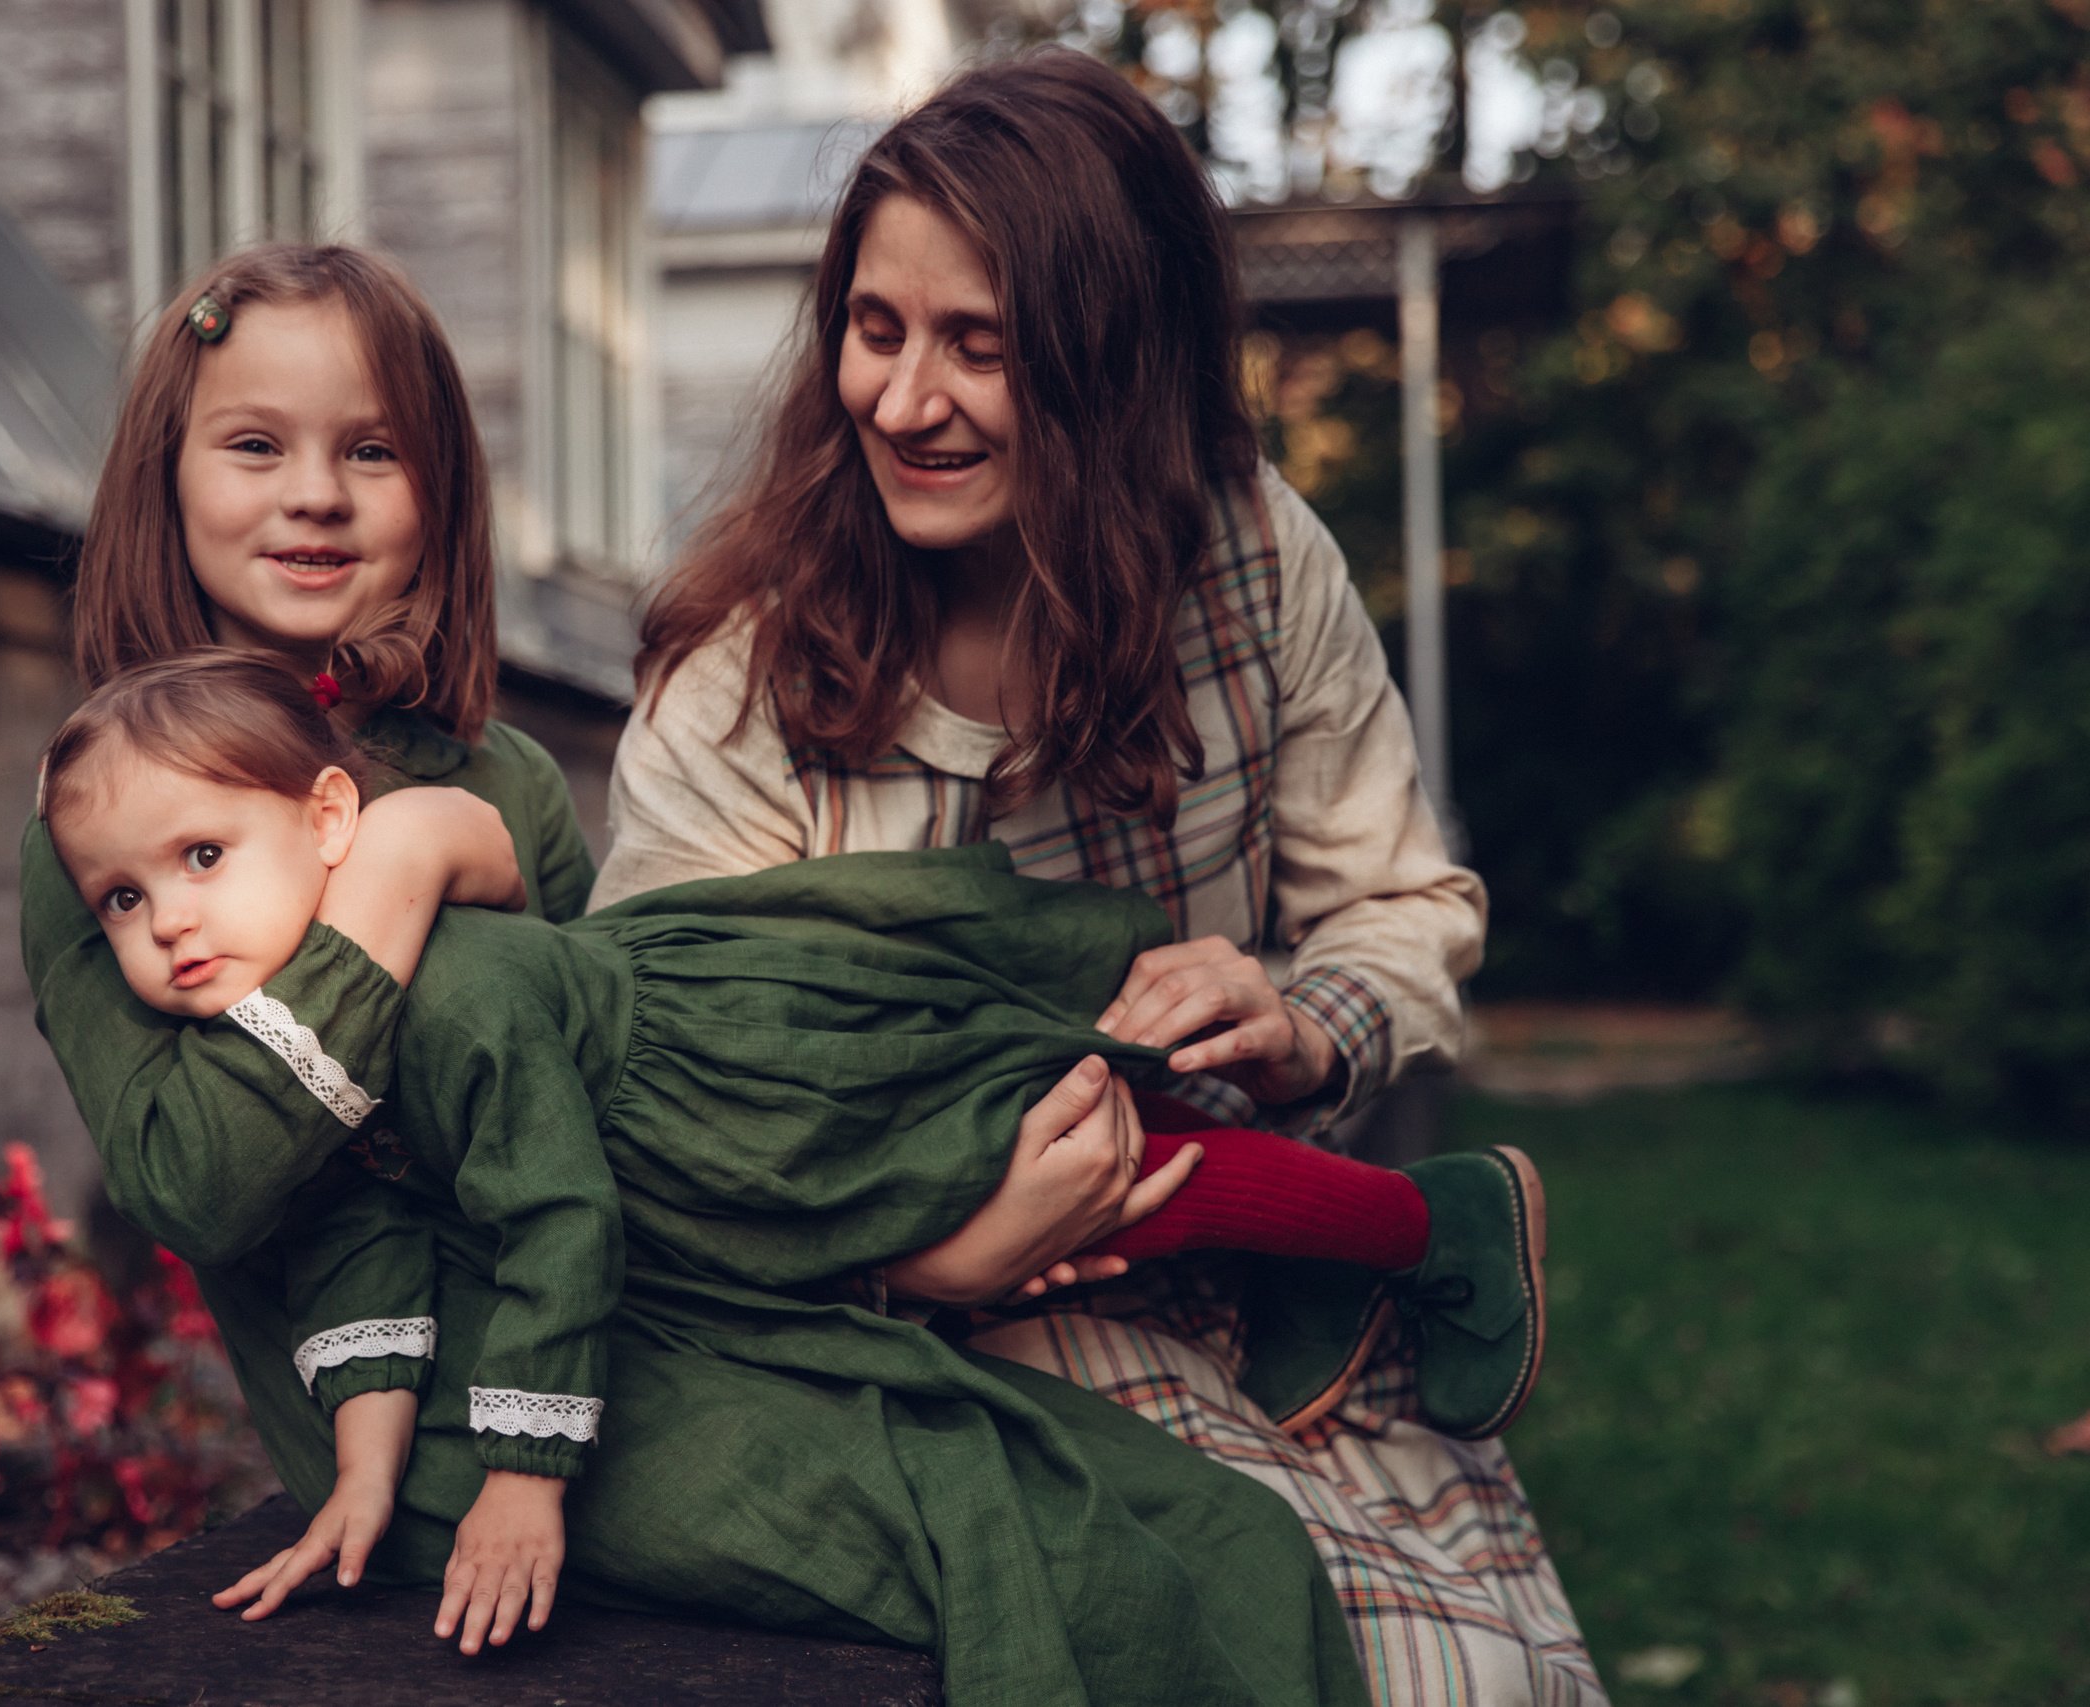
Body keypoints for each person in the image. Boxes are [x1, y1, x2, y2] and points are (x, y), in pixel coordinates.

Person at [19, 245, 1370, 1705]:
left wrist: (916, 1262)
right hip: (426, 1429)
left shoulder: (500, 775)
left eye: (371, 450)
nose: (316, 494)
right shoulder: (104, 827)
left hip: (624, 1297)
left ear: (444, 492)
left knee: (1184, 1518)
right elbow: (192, 1178)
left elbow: (609, 1134)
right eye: (254, 446)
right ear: (167, 475)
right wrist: (398, 875)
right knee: (982, 1533)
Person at [594, 50, 1607, 1705]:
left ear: (1114, 366)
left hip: (1273, 1265)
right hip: (923, 1341)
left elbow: (1407, 904)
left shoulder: (1257, 563)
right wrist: (940, 1254)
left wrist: (1295, 1014)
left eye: (979, 348)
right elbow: (659, 1120)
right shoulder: (742, 682)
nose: (905, 401)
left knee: (1509, 1681)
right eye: (876, 328)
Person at [33, 647, 1549, 1642]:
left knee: (1049, 1149)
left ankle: (1433, 1228)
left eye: (204, 859)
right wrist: (365, 1473)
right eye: (117, 898)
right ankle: (1311, 1262)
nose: (163, 920)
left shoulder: (448, 997)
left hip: (758, 1095)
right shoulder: (309, 1031)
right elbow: (372, 1236)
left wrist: (523, 1477)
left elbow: (558, 1223)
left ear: (335, 819)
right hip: (711, 1170)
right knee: (1047, 1196)